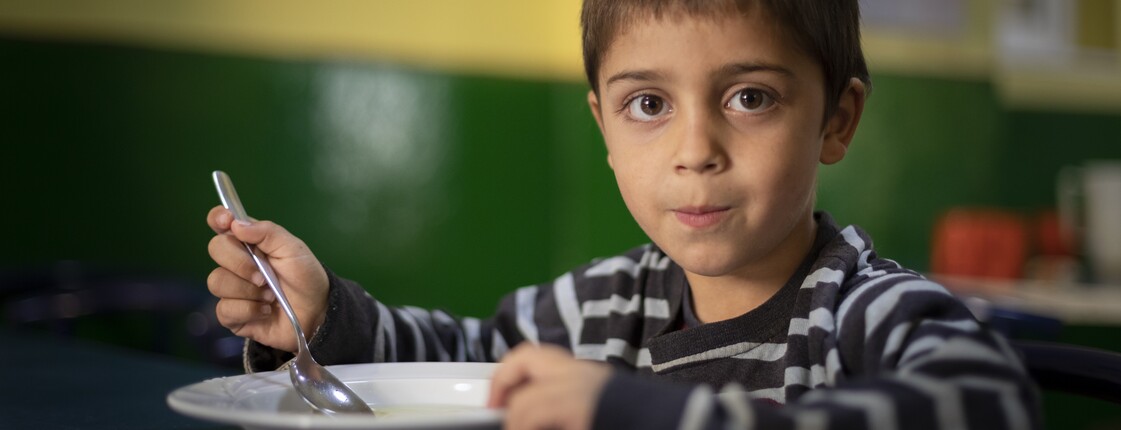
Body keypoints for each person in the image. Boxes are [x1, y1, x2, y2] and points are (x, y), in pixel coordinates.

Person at [206, 0, 1040, 428]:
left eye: (749, 97)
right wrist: (325, 320)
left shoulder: (864, 309)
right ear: (603, 128)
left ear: (836, 120)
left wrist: (647, 415)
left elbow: (991, 403)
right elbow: (471, 365)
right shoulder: (602, 306)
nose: (694, 149)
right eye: (647, 103)